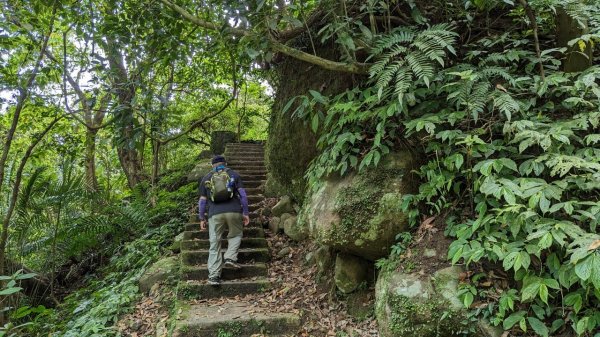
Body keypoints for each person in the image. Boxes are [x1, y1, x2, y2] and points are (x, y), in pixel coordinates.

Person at [198, 155, 250, 285]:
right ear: (225, 163)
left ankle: (214, 276)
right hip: (234, 211)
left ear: (212, 165)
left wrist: (201, 217)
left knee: (214, 244)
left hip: (214, 214)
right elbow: (243, 195)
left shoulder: (206, 178)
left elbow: (202, 201)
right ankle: (230, 257)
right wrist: (246, 212)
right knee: (236, 234)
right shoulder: (233, 174)